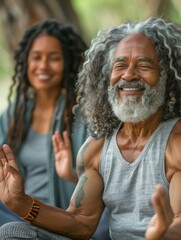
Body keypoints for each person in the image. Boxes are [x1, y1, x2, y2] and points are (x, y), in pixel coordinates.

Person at [0, 16, 181, 240]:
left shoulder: (176, 144)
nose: (129, 75)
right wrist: (20, 202)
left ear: (167, 77)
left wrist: (162, 234)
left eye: (144, 65)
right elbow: (81, 223)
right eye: (120, 65)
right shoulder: (97, 147)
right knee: (12, 232)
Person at [0, 19, 110, 239]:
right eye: (36, 57)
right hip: (16, 212)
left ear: (69, 63)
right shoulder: (15, 114)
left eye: (54, 58)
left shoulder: (86, 115)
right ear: (25, 61)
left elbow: (106, 188)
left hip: (61, 219)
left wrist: (72, 174)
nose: (43, 66)